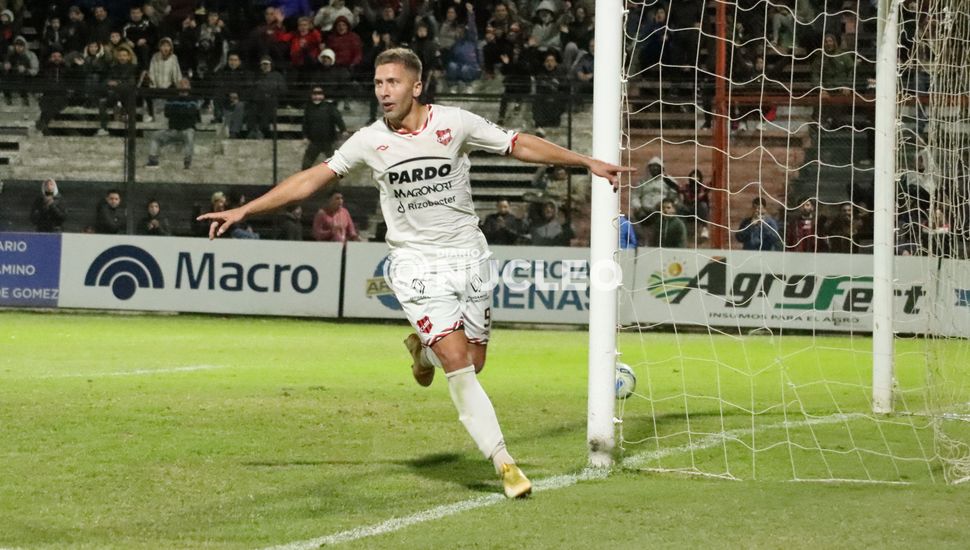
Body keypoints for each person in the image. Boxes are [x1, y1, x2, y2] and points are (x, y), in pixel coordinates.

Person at [198, 48, 631, 499]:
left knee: (475, 360)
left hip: (469, 258)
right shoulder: (369, 140)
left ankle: (420, 352)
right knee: (459, 364)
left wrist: (585, 161)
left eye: (393, 83)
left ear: (416, 86)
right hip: (415, 265)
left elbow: (517, 143)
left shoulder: (455, 123)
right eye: (379, 83)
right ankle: (504, 463)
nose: (384, 92)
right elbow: (312, 179)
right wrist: (245, 209)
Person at [146, 78, 200, 169]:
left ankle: (187, 163)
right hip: (172, 130)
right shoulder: (171, 98)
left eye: (185, 84)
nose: (183, 86)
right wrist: (184, 110)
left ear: (189, 87)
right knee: (155, 136)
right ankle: (153, 160)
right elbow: (167, 113)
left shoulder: (193, 99)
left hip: (186, 129)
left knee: (190, 135)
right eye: (181, 84)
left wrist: (176, 110)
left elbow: (191, 112)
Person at [301, 86, 348, 170]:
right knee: (305, 165)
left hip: (329, 142)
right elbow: (305, 123)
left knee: (335, 167)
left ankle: (335, 183)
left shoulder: (329, 107)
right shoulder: (308, 108)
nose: (317, 97)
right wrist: (305, 136)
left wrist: (343, 130)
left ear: (323, 96)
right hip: (314, 142)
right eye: (314, 94)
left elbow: (338, 119)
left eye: (319, 94)